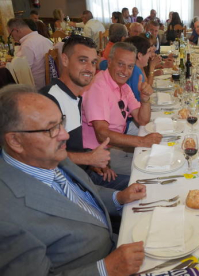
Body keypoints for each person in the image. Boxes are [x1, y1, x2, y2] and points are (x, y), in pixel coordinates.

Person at [0, 84, 148, 275]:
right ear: (15, 141)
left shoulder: (47, 155)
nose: (65, 135)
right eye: (51, 129)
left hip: (115, 241)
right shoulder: (7, 216)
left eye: (61, 122)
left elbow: (82, 195)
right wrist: (106, 269)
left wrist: (118, 197)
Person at [40, 35, 129, 190]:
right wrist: (88, 158)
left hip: (82, 174)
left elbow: (70, 149)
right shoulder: (49, 101)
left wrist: (91, 161)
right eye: (82, 60)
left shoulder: (75, 98)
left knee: (144, 184)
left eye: (93, 62)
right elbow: (43, 156)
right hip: (66, 187)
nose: (89, 68)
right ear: (65, 60)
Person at [82, 42, 161, 175]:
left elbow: (142, 120)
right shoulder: (98, 87)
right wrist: (142, 141)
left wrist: (145, 99)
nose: (125, 71)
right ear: (110, 62)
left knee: (157, 158)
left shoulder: (123, 86)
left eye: (130, 66)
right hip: (98, 156)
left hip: (115, 147)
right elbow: (102, 134)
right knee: (152, 169)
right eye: (120, 64)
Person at [7, 18, 53, 90]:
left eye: (11, 35)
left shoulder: (27, 45)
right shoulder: (46, 40)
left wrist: (7, 66)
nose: (12, 38)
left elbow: (19, 71)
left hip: (34, 88)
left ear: (17, 30)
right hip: (50, 84)